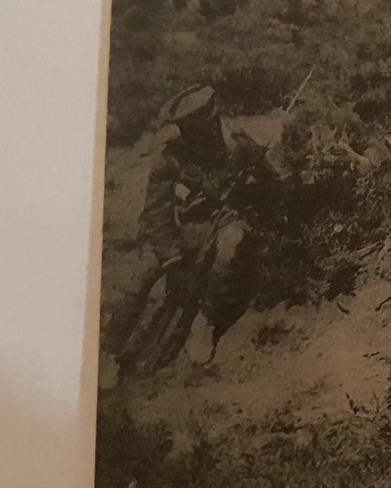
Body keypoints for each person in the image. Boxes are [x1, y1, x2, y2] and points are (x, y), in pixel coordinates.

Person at [101, 84, 278, 383]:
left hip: (224, 221)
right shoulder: (169, 157)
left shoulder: (237, 142)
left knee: (230, 247)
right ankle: (108, 353)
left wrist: (248, 197)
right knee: (139, 277)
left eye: (209, 122)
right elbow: (156, 212)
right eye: (193, 128)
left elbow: (271, 183)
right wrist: (168, 254)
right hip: (178, 227)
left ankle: (205, 323)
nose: (206, 131)